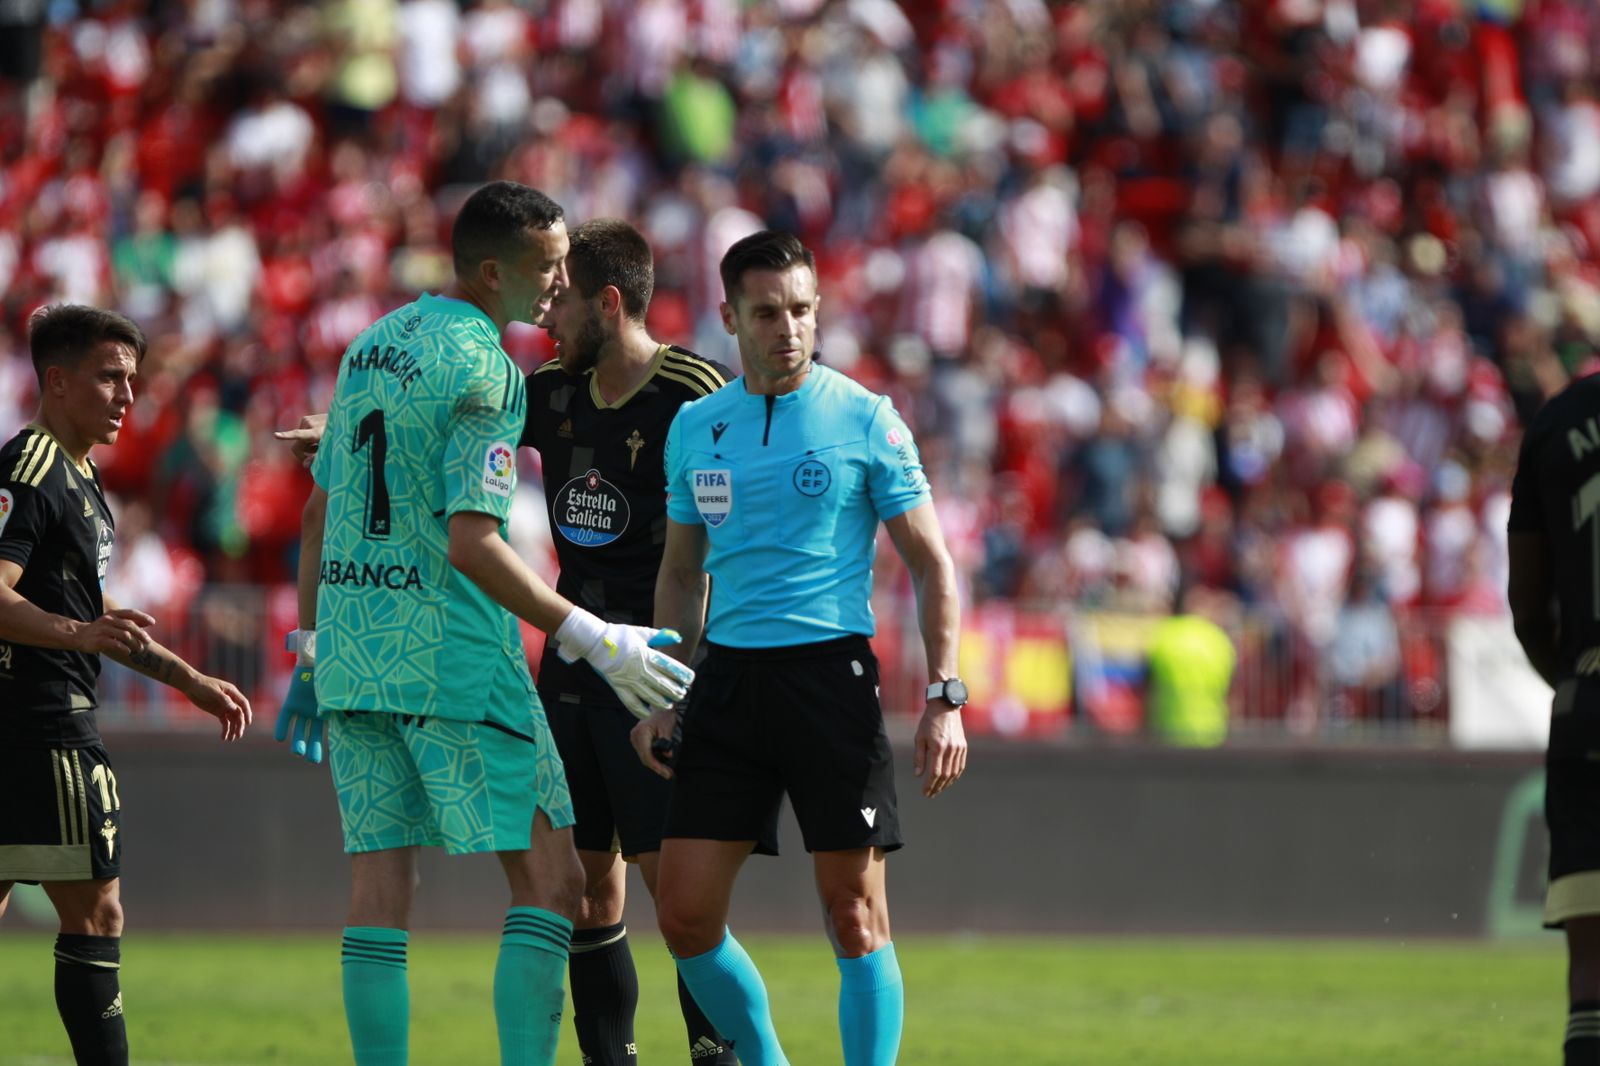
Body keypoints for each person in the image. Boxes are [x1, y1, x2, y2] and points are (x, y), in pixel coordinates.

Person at [279, 216, 736, 1064]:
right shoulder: (523, 379)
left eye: (567, 279)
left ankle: (715, 1051)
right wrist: (593, 638)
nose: (553, 296)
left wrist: (310, 639)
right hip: (537, 656)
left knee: (669, 894)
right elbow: (463, 498)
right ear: (498, 272)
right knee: (578, 890)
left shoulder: (692, 390)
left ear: (609, 299)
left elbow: (325, 509)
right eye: (545, 272)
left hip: (642, 664)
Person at [630, 230, 969, 1066]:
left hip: (830, 678)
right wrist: (668, 691)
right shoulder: (695, 428)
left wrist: (946, 696)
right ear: (730, 318)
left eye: (803, 310)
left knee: (853, 914)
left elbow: (931, 562)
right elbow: (680, 573)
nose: (789, 328)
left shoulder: (865, 418)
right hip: (730, 684)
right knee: (682, 916)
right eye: (769, 312)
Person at [0, 304, 253, 1066]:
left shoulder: (80, 478)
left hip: (29, 720)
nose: (126, 395)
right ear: (57, 380)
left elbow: (92, 610)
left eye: (132, 379)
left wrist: (189, 677)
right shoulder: (33, 469)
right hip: (42, 725)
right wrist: (79, 635)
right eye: (110, 377)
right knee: (98, 914)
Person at [1508, 370, 1600, 1066]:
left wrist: (1572, 681)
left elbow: (1527, 606)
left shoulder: (1556, 420)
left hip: (1588, 710)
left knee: (1592, 983)